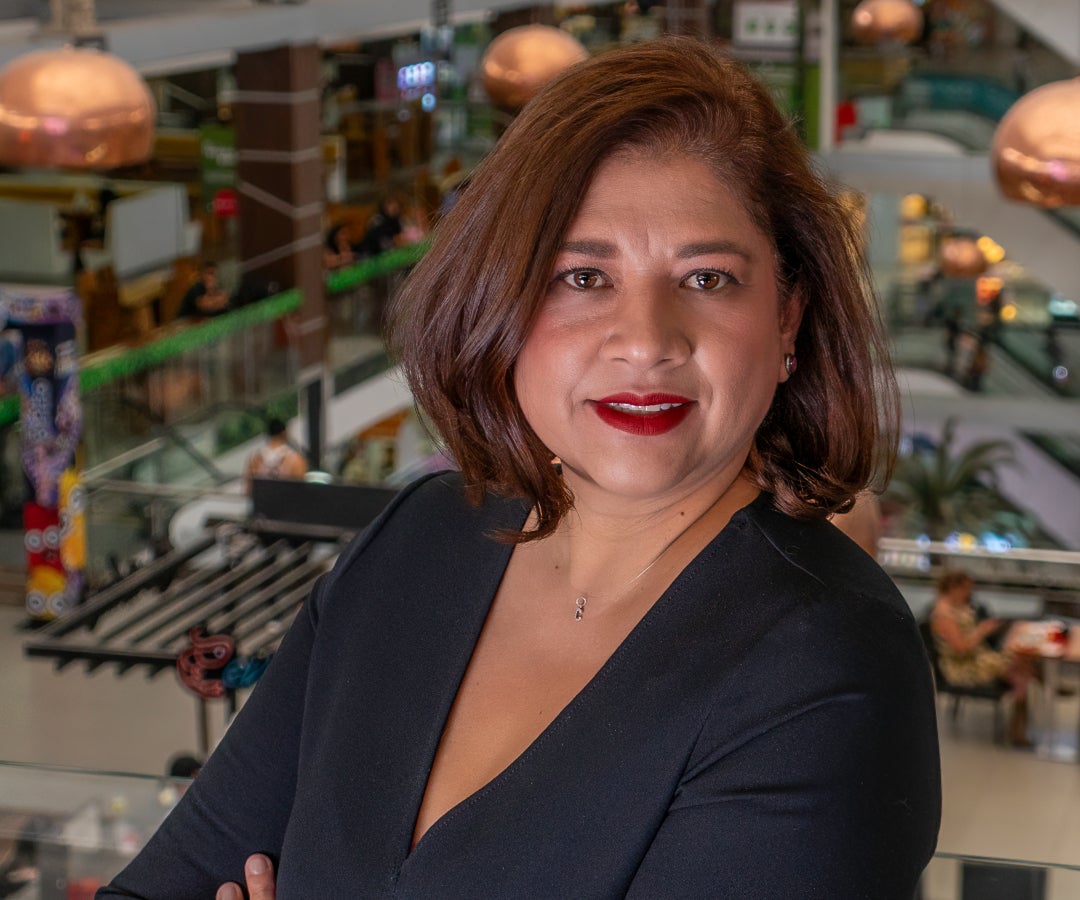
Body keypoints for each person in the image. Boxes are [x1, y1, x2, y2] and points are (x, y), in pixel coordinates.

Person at [100, 38, 940, 899]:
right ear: (503, 299)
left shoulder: (828, 664)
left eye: (707, 279)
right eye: (584, 275)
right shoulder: (419, 538)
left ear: (787, 320)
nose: (646, 341)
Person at [929, 570, 1034, 746]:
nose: (969, 593)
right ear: (954, 588)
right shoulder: (943, 615)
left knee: (1022, 665)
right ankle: (1017, 727)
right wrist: (982, 630)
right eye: (966, 588)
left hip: (975, 658)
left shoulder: (957, 606)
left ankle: (1019, 724)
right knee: (1021, 672)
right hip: (962, 666)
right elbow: (960, 648)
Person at [243, 418, 307, 490]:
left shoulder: (255, 459)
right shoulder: (296, 459)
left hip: (263, 496)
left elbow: (248, 489)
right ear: (284, 433)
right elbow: (300, 490)